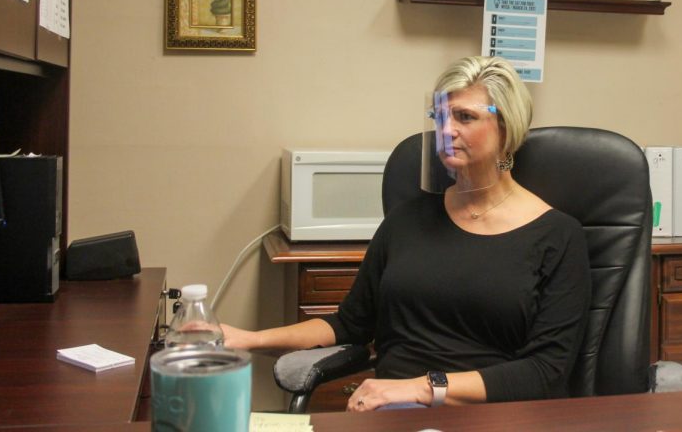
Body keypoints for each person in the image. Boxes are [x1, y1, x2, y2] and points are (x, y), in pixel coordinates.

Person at [222, 56, 591, 411]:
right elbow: (349, 324)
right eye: (441, 117)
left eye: (465, 117)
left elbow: (545, 371)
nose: (447, 131)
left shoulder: (558, 237)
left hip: (489, 415)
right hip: (393, 413)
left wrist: (421, 389)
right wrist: (248, 339)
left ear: (506, 127)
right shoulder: (406, 221)